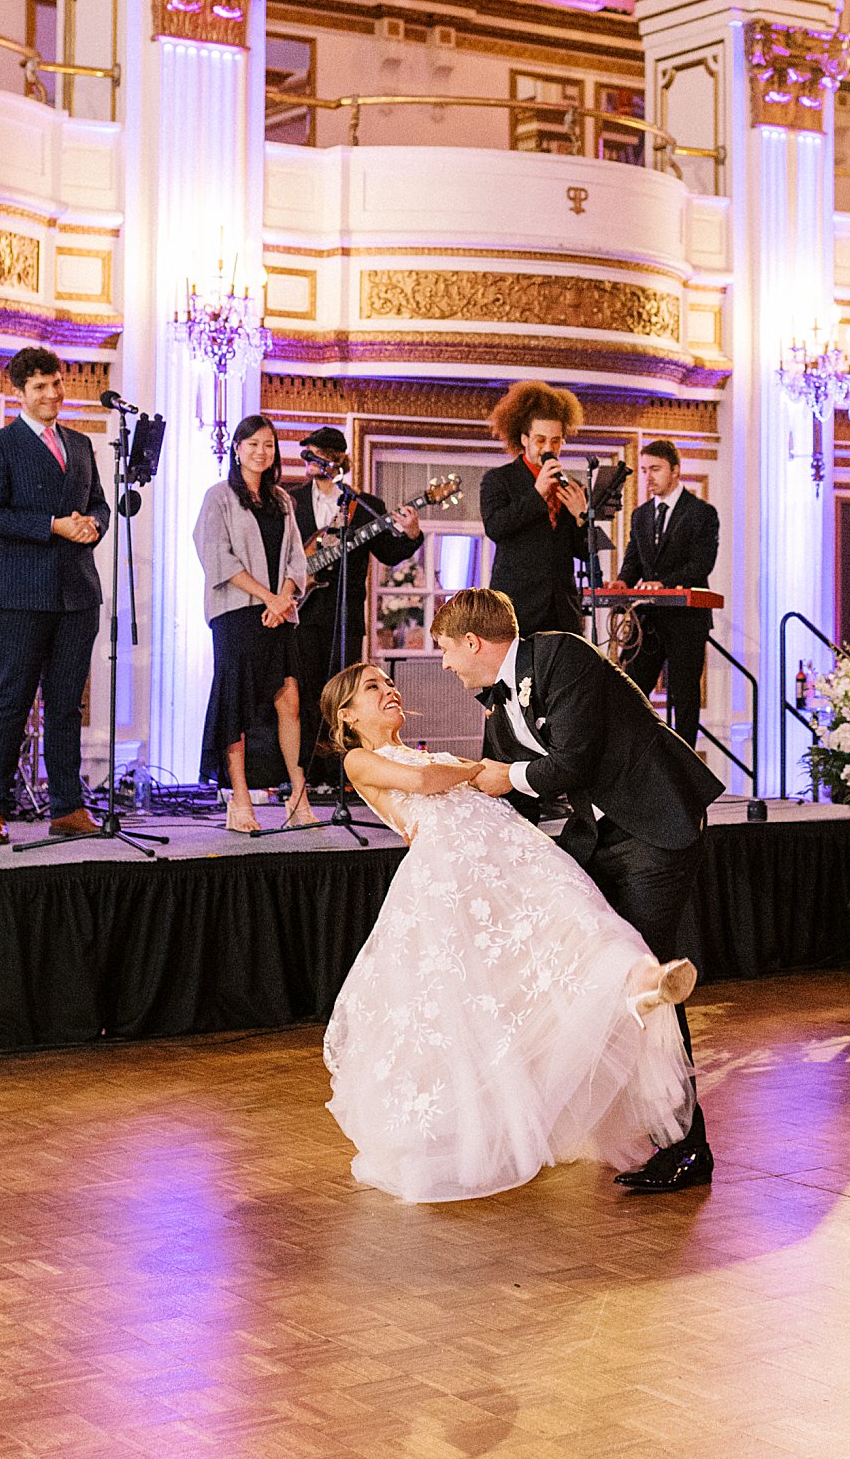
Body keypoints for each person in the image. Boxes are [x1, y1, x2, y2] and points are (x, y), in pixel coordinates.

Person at [321, 657, 697, 1204]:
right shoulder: (361, 759)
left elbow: (478, 782)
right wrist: (477, 770)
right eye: (373, 687)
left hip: (513, 855)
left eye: (389, 683)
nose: (390, 691)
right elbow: (426, 782)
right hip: (457, 873)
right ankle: (474, 1125)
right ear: (347, 715)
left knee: (578, 921)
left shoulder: (431, 752)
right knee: (487, 993)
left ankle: (637, 983)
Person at [436, 586, 722, 1192]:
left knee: (640, 973)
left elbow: (571, 762)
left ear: (472, 641)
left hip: (656, 823)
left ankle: (688, 1146)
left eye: (444, 650)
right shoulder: (497, 702)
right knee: (579, 959)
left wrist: (501, 775)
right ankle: (601, 1118)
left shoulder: (560, 655)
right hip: (600, 832)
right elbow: (503, 792)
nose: (444, 664)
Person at [0, 345, 110, 845]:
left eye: (56, 383)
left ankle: (67, 807)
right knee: (11, 701)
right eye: (40, 387)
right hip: (19, 594)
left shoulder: (80, 443)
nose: (52, 394)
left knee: (67, 705)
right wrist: (52, 526)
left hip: (77, 594)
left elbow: (99, 504)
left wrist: (94, 524)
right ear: (20, 392)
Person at [194, 413, 313, 835]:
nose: (262, 452)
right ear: (237, 449)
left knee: (289, 700)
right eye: (253, 444)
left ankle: (298, 793)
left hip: (279, 611)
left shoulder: (282, 500)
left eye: (269, 444)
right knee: (237, 705)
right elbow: (217, 556)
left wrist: (282, 600)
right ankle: (239, 798)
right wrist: (268, 597)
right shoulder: (219, 496)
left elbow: (298, 557)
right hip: (236, 613)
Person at [289, 425, 422, 773]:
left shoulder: (363, 506)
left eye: (317, 455)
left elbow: (390, 553)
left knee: (343, 699)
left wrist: (411, 534)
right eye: (308, 454)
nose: (310, 461)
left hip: (345, 615)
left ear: (335, 461)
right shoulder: (291, 501)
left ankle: (339, 772)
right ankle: (301, 771)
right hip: (300, 613)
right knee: (303, 695)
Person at [612, 440, 719, 746]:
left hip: (686, 621)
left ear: (675, 470)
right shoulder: (641, 514)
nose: (648, 477)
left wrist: (665, 584)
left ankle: (684, 771)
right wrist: (622, 581)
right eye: (644, 470)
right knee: (628, 690)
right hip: (648, 620)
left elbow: (701, 564)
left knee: (683, 697)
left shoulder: (701, 513)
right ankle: (636, 762)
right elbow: (634, 558)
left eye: (655, 469)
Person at [480, 381, 588, 637]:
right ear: (524, 439)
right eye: (540, 440)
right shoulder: (499, 480)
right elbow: (496, 528)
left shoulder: (573, 486)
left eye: (556, 441)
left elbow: (584, 551)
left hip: (563, 610)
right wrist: (537, 493)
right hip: (517, 608)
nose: (548, 449)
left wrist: (582, 517)